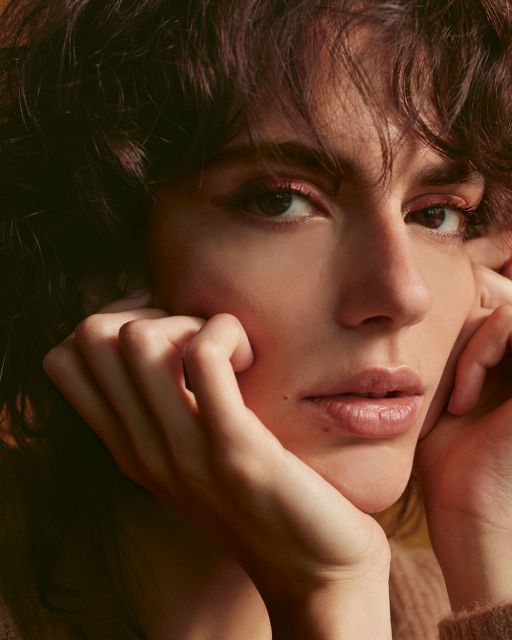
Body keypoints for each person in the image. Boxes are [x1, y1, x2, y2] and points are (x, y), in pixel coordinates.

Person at [1, 0, 512, 638]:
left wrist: (484, 529)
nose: (403, 294)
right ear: (102, 249)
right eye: (281, 200)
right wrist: (329, 592)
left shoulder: (452, 602)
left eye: (436, 214)